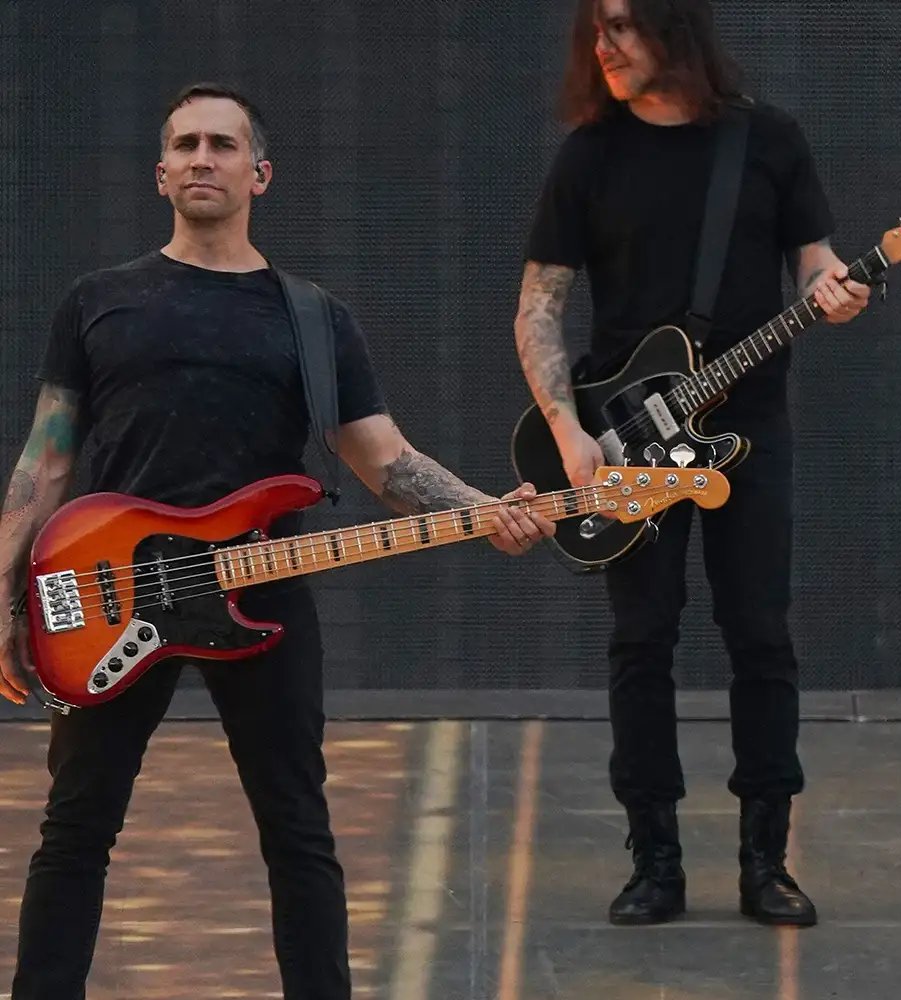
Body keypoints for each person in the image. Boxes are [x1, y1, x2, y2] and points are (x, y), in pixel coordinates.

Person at [0, 82, 555, 998]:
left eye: (221, 145)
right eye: (184, 145)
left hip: (260, 585)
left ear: (260, 173)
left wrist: (488, 509)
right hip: (107, 590)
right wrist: (7, 594)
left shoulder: (313, 317)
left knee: (298, 829)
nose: (201, 159)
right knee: (75, 828)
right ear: (161, 172)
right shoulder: (98, 301)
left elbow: (379, 456)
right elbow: (44, 460)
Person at [513, 0, 870, 927]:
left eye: (624, 25)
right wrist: (566, 432)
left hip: (749, 434)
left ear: (677, 28)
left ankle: (766, 861)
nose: (605, 44)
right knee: (642, 642)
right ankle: (654, 860)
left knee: (762, 636)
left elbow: (816, 265)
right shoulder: (590, 155)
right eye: (596, 28)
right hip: (621, 440)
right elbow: (538, 308)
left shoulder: (767, 141)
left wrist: (835, 294)